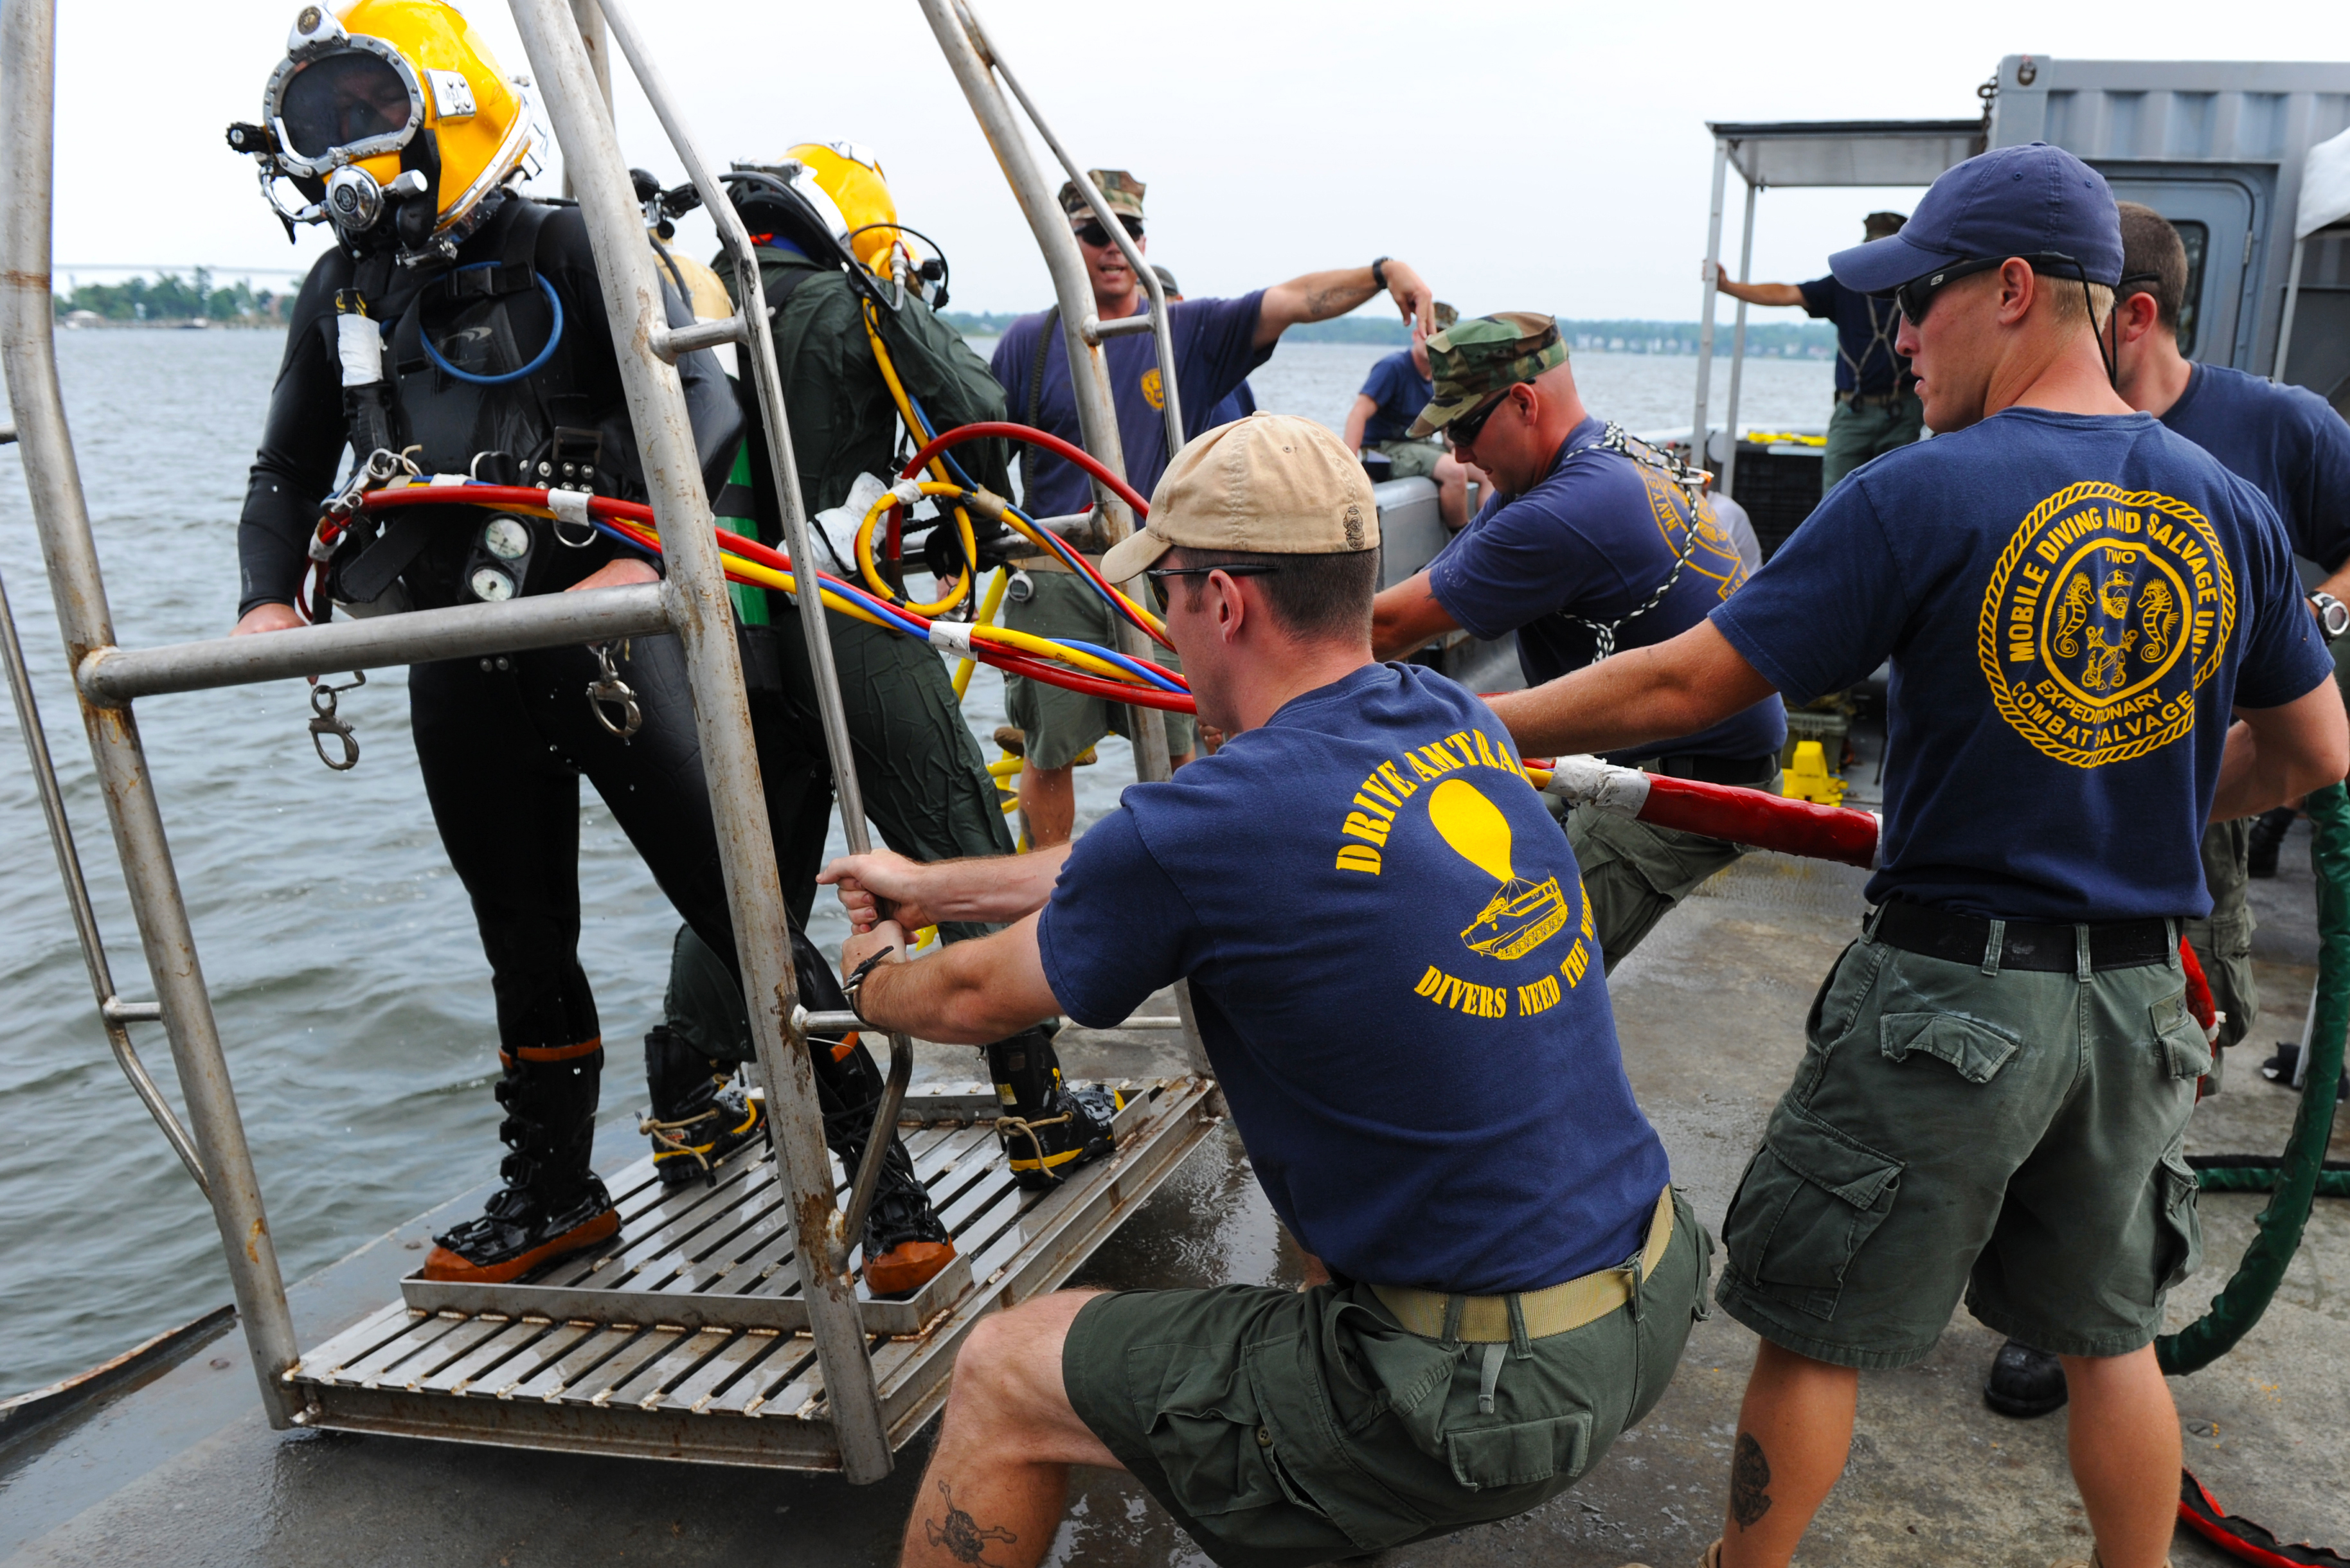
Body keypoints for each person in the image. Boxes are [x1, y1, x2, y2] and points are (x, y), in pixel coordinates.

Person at [1484, 143, 2349, 1568]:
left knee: (1817, 1329)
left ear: (2012, 291)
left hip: (1950, 994)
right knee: (2105, 1341)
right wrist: (2151, 790)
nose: (1897, 337)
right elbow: (2313, 749)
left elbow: (1674, 687)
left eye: (1920, 301)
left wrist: (1455, 712)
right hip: (2137, 1005)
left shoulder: (1920, 493)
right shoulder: (2228, 502)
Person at [817, 413, 1705, 1568]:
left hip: (1500, 1390)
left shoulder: (1217, 818)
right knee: (1314, 1235)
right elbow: (1137, 866)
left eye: (1171, 591)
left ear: (1223, 602)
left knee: (1005, 1374)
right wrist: (935, 882)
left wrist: (874, 980)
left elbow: (977, 1000)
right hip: (1648, 1289)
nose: (1167, 624)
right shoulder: (1441, 717)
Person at [223, 4, 920, 1293]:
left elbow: (703, 404)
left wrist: (638, 553)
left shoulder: (575, 238)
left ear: (447, 103)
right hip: (458, 644)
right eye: (314, 130)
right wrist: (269, 603)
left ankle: (884, 1180)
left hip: (602, 637)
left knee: (732, 903)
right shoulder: (346, 291)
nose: (341, 155)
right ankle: (555, 1191)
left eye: (366, 114)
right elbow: (283, 467)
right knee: (519, 934)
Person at [1981, 197, 2350, 1417]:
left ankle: (2097, 1283)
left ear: (2132, 313)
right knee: (2013, 1029)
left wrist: (2312, 633)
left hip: (2202, 793)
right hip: (2037, 803)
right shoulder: (2021, 427)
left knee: (2186, 1027)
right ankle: (2040, 1268)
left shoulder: (2272, 426)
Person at [988, 168, 1435, 846]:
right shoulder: (1029, 340)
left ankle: (1190, 874)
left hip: (1160, 574)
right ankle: (1044, 910)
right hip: (1054, 573)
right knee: (1045, 753)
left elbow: (1292, 300)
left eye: (1128, 231)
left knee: (1183, 746)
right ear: (1061, 243)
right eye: (1093, 232)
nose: (1115, 247)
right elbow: (985, 456)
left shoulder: (1185, 333)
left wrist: (1382, 272)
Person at [1367, 313, 1788, 970]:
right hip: (1642, 745)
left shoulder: (1562, 512)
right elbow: (1432, 586)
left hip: (1687, 778)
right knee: (1454, 884)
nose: (1458, 456)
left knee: (1513, 982)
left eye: (1463, 428)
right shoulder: (1597, 457)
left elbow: (1383, 629)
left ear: (1522, 402)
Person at [1716, 212, 1924, 489]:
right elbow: (1787, 294)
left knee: (1900, 498)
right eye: (1872, 247)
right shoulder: (1845, 285)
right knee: (1835, 501)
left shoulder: (1919, 287)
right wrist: (1727, 287)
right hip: (1853, 411)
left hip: (1904, 411)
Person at [1341, 301, 1482, 530]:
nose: (1434, 342)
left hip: (1421, 446)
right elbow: (1358, 413)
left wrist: (1458, 446)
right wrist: (1350, 469)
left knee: (1486, 466)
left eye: (1442, 336)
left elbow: (1447, 427)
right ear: (1416, 334)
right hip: (1385, 450)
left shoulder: (1441, 376)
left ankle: (1490, 533)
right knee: (1454, 471)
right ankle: (1463, 543)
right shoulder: (1393, 368)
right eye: (1429, 334)